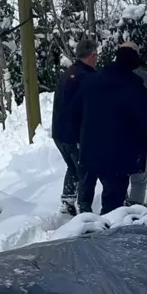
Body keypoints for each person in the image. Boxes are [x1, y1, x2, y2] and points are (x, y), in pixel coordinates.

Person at [74, 43, 147, 215]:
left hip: (92, 150)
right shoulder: (133, 85)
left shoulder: (93, 80)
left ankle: (96, 227)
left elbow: (78, 112)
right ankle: (110, 235)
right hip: (116, 155)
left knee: (107, 195)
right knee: (113, 203)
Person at [51, 38, 99, 215]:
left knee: (73, 167)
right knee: (87, 170)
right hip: (76, 135)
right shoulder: (89, 77)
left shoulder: (67, 73)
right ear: (92, 55)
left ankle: (67, 199)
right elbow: (90, 110)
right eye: (96, 56)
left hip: (59, 134)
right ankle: (84, 208)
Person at [120, 43, 147, 206]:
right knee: (138, 179)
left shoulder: (105, 75)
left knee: (117, 178)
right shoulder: (144, 78)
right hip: (136, 138)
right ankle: (134, 211)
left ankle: (117, 208)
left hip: (113, 139)